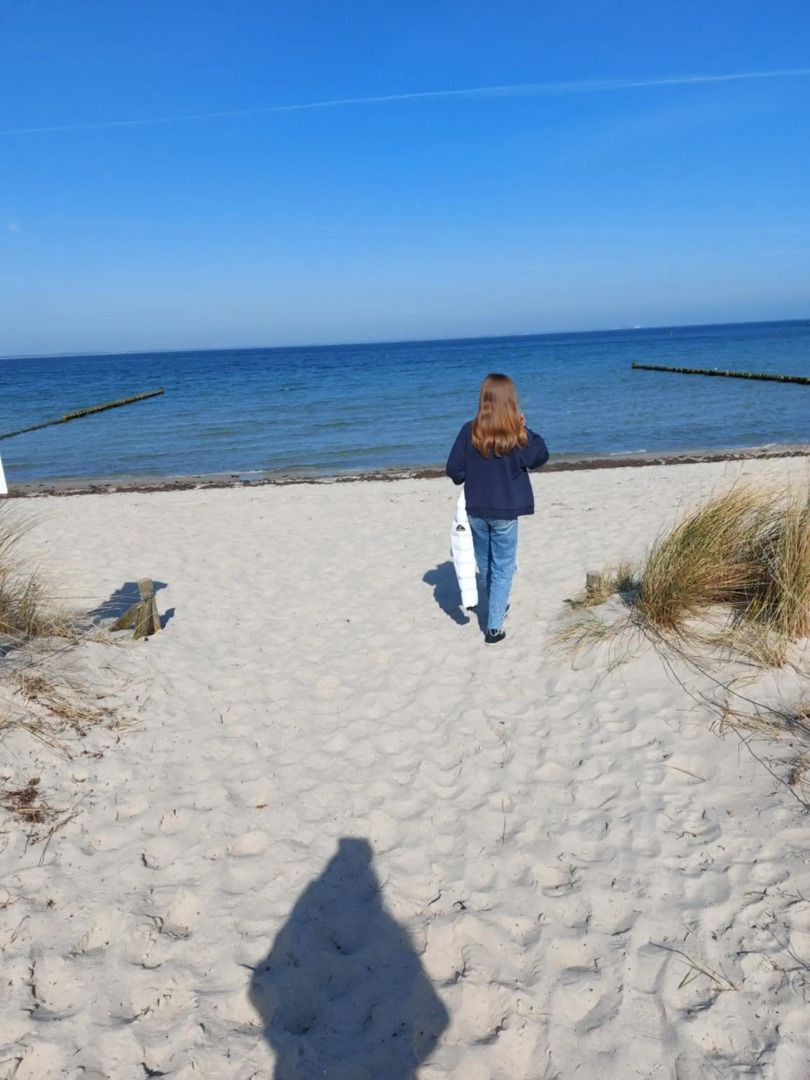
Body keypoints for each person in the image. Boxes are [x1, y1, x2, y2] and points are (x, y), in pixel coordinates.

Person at [445, 373, 549, 644]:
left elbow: (454, 470)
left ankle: (497, 608)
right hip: (505, 509)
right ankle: (494, 627)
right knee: (501, 566)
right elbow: (539, 455)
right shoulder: (515, 433)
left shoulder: (469, 430)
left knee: (487, 563)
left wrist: (473, 470)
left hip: (476, 507)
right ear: (510, 400)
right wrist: (526, 429)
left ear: (484, 399)